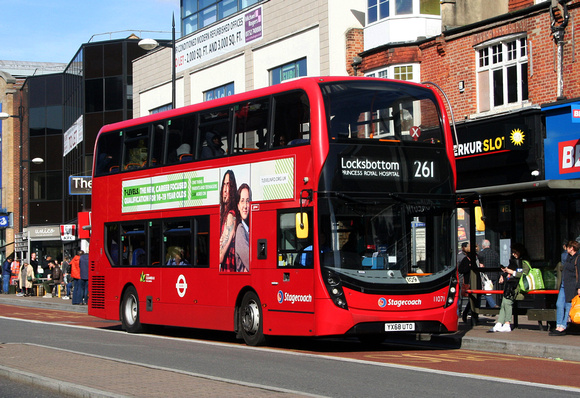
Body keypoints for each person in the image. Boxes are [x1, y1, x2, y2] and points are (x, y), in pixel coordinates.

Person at [489, 242, 530, 333]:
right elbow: (509, 271)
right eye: (512, 252)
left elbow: (524, 274)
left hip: (518, 287)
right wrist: (503, 274)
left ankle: (507, 323)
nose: (513, 254)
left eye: (515, 252)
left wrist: (512, 272)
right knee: (504, 303)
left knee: (507, 303)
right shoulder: (513, 261)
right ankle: (499, 323)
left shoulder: (524, 262)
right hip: (510, 285)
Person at [550, 240, 580, 336]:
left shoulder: (578, 258)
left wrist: (579, 287)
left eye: (568, 247)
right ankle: (558, 325)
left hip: (572, 286)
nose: (566, 248)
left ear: (572, 248)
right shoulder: (567, 257)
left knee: (568, 306)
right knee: (559, 304)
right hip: (564, 284)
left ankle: (563, 326)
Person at [219, 170, 238, 272]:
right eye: (224, 185)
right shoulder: (225, 215)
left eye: (229, 185)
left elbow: (220, 256)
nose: (225, 190)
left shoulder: (230, 215)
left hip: (228, 271)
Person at [458, 242, 479, 324]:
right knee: (473, 299)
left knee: (475, 299)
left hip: (476, 281)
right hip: (470, 281)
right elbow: (461, 270)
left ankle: (471, 315)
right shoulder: (466, 259)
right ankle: (470, 316)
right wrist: (469, 267)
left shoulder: (477, 258)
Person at [478, 239, 500, 308]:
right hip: (494, 275)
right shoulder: (495, 253)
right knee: (488, 291)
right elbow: (498, 264)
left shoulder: (481, 254)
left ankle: (493, 305)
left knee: (486, 292)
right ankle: (488, 309)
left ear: (483, 246)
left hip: (485, 276)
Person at [235, 184, 251, 272]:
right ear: (238, 206)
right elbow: (251, 263)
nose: (245, 206)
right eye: (242, 201)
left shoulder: (247, 229)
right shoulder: (241, 230)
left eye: (248, 201)